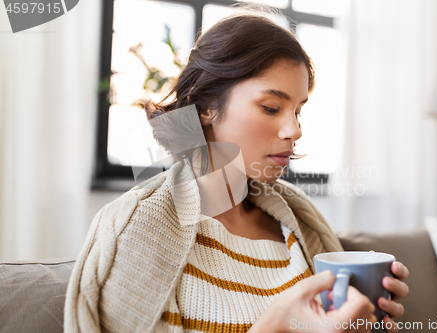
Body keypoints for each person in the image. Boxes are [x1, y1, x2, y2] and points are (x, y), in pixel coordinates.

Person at [64, 6, 409, 333]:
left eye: (298, 111)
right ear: (205, 107)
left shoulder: (300, 225)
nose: (295, 130)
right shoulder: (139, 226)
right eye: (271, 107)